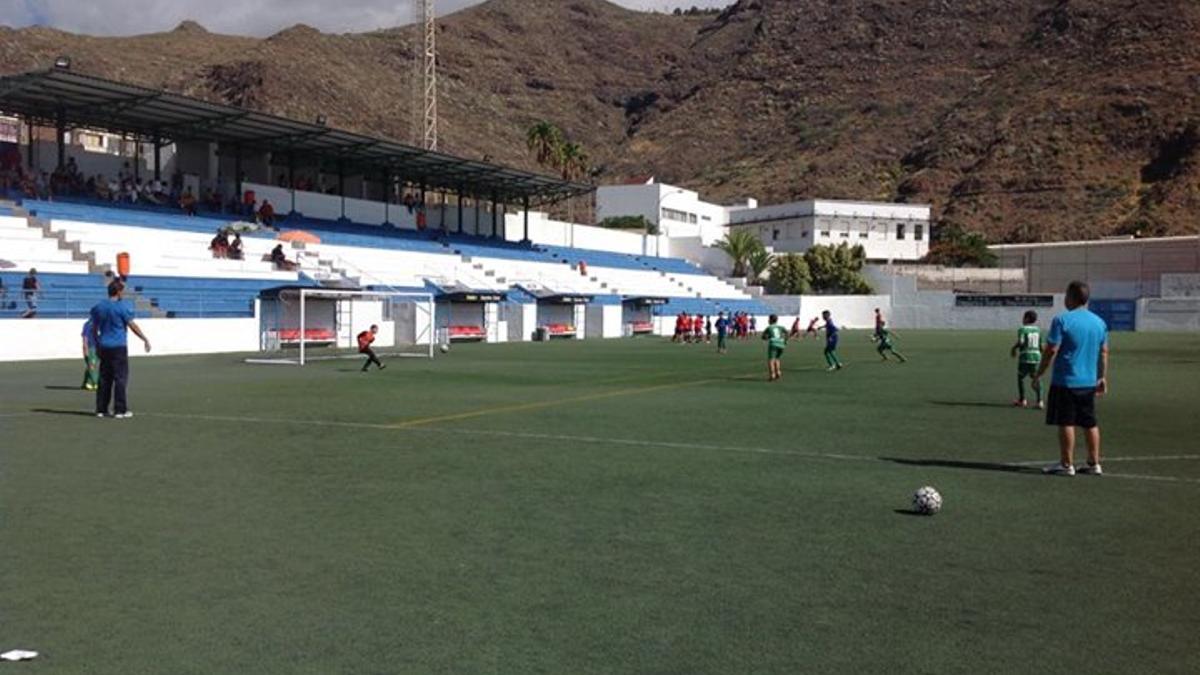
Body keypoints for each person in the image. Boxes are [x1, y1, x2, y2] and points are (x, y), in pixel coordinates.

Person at [1034, 281, 1109, 476]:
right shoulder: (1099, 322)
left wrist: (1039, 373)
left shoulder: (1062, 320)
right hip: (1089, 382)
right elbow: (1104, 352)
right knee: (1089, 422)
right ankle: (1094, 463)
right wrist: (1101, 377)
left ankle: (1066, 464)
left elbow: (1051, 349)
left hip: (1066, 381)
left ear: (1072, 297)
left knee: (1066, 422)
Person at [90, 280, 151, 418]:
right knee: (120, 378)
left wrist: (97, 343)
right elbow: (132, 326)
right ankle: (120, 410)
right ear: (118, 292)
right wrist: (144, 338)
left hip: (104, 346)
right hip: (118, 347)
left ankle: (101, 409)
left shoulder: (99, 307)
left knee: (104, 379)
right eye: (122, 290)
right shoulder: (121, 307)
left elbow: (94, 328)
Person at [1011, 310, 1043, 409]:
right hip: (1036, 357)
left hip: (1025, 357)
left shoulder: (1022, 329)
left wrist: (1013, 348)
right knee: (1036, 378)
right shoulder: (1038, 330)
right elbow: (1041, 346)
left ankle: (1022, 400)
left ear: (1027, 318)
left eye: (1024, 317)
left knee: (1020, 378)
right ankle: (1040, 401)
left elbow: (1021, 342)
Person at [761, 314, 788, 381]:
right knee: (777, 358)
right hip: (781, 344)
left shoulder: (769, 327)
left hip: (773, 343)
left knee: (771, 360)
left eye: (769, 319)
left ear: (770, 320)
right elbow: (786, 332)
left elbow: (763, 337)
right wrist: (785, 340)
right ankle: (778, 372)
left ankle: (772, 374)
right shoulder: (781, 327)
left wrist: (767, 337)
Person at [81, 317, 99, 391]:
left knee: (91, 365)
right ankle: (96, 383)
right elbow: (85, 336)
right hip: (91, 347)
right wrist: (85, 347)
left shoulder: (100, 324)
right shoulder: (89, 324)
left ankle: (87, 383)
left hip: (97, 347)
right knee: (92, 365)